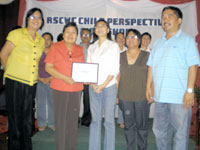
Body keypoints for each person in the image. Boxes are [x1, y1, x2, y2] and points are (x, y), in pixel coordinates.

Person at [146, 6, 200, 150]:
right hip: (160, 97)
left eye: (170, 16)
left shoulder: (187, 41)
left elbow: (193, 66)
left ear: (179, 20)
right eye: (163, 16)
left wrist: (189, 91)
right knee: (159, 132)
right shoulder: (157, 43)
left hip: (180, 98)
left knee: (180, 135)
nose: (165, 19)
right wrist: (148, 87)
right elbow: (151, 66)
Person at [0, 7, 45, 150]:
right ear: (27, 19)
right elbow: (3, 54)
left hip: (31, 83)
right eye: (33, 17)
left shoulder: (41, 40)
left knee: (27, 118)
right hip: (15, 82)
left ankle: (27, 147)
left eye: (39, 18)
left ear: (42, 22)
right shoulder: (17, 34)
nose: (36, 20)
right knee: (15, 118)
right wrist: (11, 73)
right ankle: (14, 147)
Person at [45, 22, 84, 150]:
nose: (70, 35)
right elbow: (48, 67)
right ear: (63, 34)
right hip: (60, 88)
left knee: (73, 122)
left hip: (76, 89)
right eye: (68, 31)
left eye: (74, 32)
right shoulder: (55, 47)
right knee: (61, 121)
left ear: (77, 35)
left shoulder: (79, 49)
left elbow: (83, 70)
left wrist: (88, 79)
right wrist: (64, 78)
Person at [87, 18, 120, 150]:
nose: (99, 28)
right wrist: (93, 84)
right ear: (95, 30)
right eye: (97, 26)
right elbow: (89, 67)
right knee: (95, 121)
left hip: (109, 87)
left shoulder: (113, 46)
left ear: (108, 30)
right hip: (93, 88)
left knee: (109, 121)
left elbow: (114, 69)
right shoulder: (91, 47)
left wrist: (102, 85)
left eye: (102, 26)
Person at [118, 29, 149, 150]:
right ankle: (131, 147)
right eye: (128, 37)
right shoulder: (119, 56)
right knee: (128, 126)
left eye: (134, 37)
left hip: (142, 96)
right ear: (125, 40)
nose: (130, 39)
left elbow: (152, 76)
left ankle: (142, 147)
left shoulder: (147, 56)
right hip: (124, 96)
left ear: (139, 40)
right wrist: (116, 94)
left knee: (142, 126)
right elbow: (117, 76)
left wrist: (151, 91)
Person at [36, 32, 54, 131]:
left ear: (51, 41)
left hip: (52, 80)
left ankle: (52, 123)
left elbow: (58, 67)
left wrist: (50, 78)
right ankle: (41, 123)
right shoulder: (37, 51)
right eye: (44, 39)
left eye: (48, 39)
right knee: (41, 103)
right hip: (39, 80)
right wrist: (40, 78)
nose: (46, 41)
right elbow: (33, 67)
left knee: (52, 103)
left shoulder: (54, 51)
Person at [80, 28, 92, 126]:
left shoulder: (95, 48)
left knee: (87, 100)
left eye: (88, 35)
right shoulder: (76, 47)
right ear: (80, 36)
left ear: (91, 37)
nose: (86, 37)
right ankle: (73, 121)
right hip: (78, 79)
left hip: (90, 79)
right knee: (74, 101)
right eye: (84, 35)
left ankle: (86, 120)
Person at [115, 32, 126, 128]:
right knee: (112, 101)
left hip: (124, 80)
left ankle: (121, 121)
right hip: (112, 79)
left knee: (122, 101)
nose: (121, 40)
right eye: (119, 38)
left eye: (123, 38)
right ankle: (109, 119)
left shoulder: (128, 51)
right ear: (115, 40)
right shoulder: (112, 50)